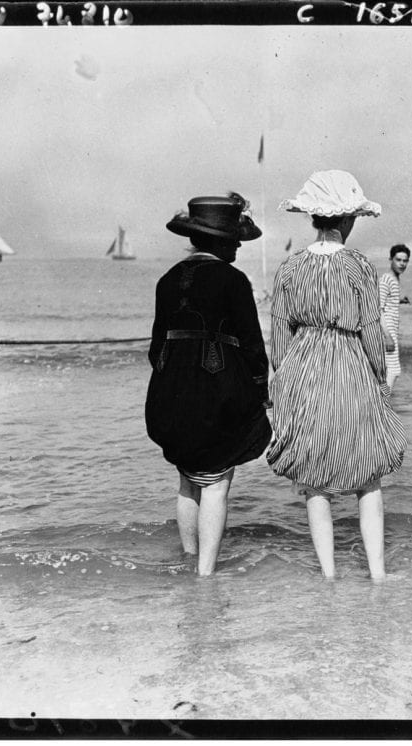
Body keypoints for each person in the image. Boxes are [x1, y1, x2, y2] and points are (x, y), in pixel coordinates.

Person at [267, 170, 406, 581]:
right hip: (350, 363)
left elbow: (279, 336)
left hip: (303, 368)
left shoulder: (290, 267)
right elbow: (370, 330)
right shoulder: (358, 266)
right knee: (368, 474)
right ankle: (377, 574)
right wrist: (380, 378)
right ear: (346, 219)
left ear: (313, 217)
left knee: (314, 480)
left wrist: (284, 381)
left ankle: (328, 575)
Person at [145, 192, 272, 576]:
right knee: (216, 484)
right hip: (217, 397)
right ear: (218, 240)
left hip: (168, 395)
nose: (238, 246)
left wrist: (176, 378)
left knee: (187, 480)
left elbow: (156, 348)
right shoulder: (233, 280)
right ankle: (206, 574)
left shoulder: (168, 280)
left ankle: (189, 558)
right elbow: (252, 345)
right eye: (233, 239)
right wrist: (260, 390)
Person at [378, 243, 410, 393]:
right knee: (393, 371)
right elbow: (377, 308)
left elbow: (386, 301)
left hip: (390, 332)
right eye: (398, 260)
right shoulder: (387, 279)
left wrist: (399, 300)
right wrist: (387, 336)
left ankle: (378, 402)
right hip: (386, 332)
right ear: (391, 259)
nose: (402, 264)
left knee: (387, 371)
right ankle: (381, 403)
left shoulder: (394, 279)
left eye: (405, 261)